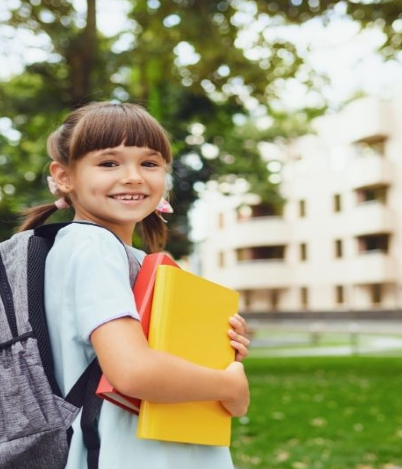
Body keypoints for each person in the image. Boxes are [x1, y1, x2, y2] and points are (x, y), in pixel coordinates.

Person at [18, 102, 251, 469]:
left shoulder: (73, 248)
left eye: (149, 163)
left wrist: (217, 350)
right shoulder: (95, 247)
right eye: (109, 163)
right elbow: (132, 370)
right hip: (133, 452)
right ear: (64, 176)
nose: (133, 177)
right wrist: (230, 386)